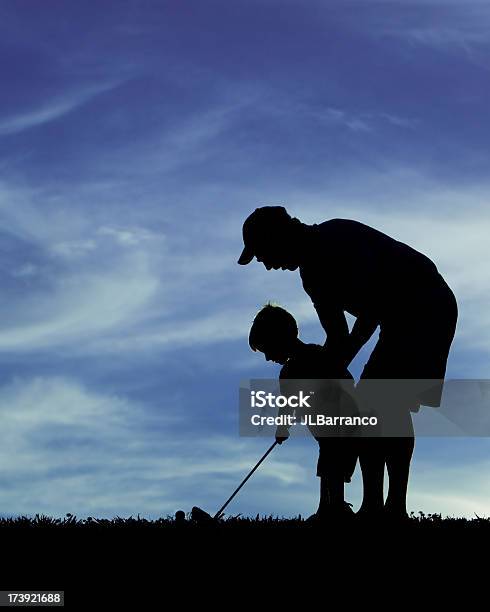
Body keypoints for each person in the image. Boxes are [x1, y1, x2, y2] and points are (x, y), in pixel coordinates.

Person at [238, 206, 458, 519]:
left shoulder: (335, 237)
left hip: (427, 304)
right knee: (373, 404)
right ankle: (375, 508)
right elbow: (339, 336)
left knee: (385, 401)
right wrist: (324, 369)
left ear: (278, 236)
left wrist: (329, 366)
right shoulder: (312, 277)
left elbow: (373, 307)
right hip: (398, 319)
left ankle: (392, 508)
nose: (265, 263)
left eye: (262, 253)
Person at [249, 303, 358, 520]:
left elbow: (344, 381)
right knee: (329, 460)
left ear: (280, 338)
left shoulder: (314, 358)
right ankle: (328, 507)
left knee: (332, 460)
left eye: (267, 349)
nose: (267, 357)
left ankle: (333, 507)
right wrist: (283, 426)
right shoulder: (293, 370)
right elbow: (288, 405)